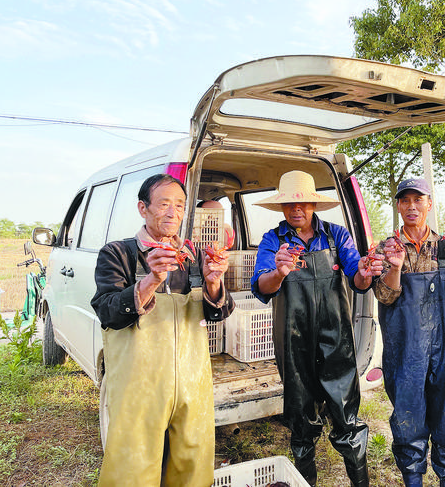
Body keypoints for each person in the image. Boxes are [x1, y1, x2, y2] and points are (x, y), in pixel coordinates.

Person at [91, 174, 234, 487]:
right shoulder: (118, 254)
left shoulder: (194, 256)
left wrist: (213, 282)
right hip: (138, 385)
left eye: (180, 205)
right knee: (133, 464)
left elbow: (219, 312)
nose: (173, 212)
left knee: (193, 462)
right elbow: (108, 311)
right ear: (143, 208)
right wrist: (150, 280)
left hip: (192, 382)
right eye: (164, 204)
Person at [251, 170, 381, 487]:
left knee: (346, 416)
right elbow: (261, 287)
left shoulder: (337, 235)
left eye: (304, 203)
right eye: (290, 204)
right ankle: (305, 479)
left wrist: (365, 272)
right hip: (293, 342)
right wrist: (280, 272)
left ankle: (359, 482)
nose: (297, 209)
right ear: (281, 207)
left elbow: (358, 279)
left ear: (314, 205)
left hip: (337, 338)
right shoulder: (273, 240)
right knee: (300, 417)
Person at [373, 177, 445, 487]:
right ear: (399, 206)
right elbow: (384, 297)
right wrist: (395, 266)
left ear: (429, 204)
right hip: (405, 347)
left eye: (419, 200)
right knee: (408, 414)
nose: (412, 206)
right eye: (406, 200)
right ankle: (412, 480)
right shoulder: (386, 247)